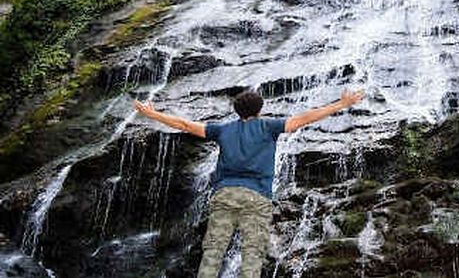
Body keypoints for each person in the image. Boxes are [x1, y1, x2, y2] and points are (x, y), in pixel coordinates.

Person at [133, 88, 366, 278]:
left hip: (224, 195)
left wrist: (153, 114)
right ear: (260, 109)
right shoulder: (269, 126)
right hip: (257, 197)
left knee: (213, 252)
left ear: (236, 111)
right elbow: (304, 119)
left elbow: (184, 124)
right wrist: (341, 104)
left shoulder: (221, 130)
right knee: (252, 254)